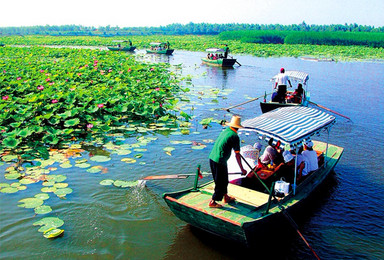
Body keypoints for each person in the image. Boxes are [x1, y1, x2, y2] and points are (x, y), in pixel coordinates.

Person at [209, 116, 247, 208]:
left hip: (212, 157)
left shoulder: (226, 131)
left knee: (224, 179)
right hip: (220, 161)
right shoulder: (234, 136)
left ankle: (226, 197)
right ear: (238, 127)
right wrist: (242, 169)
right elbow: (237, 155)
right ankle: (213, 201)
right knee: (220, 182)